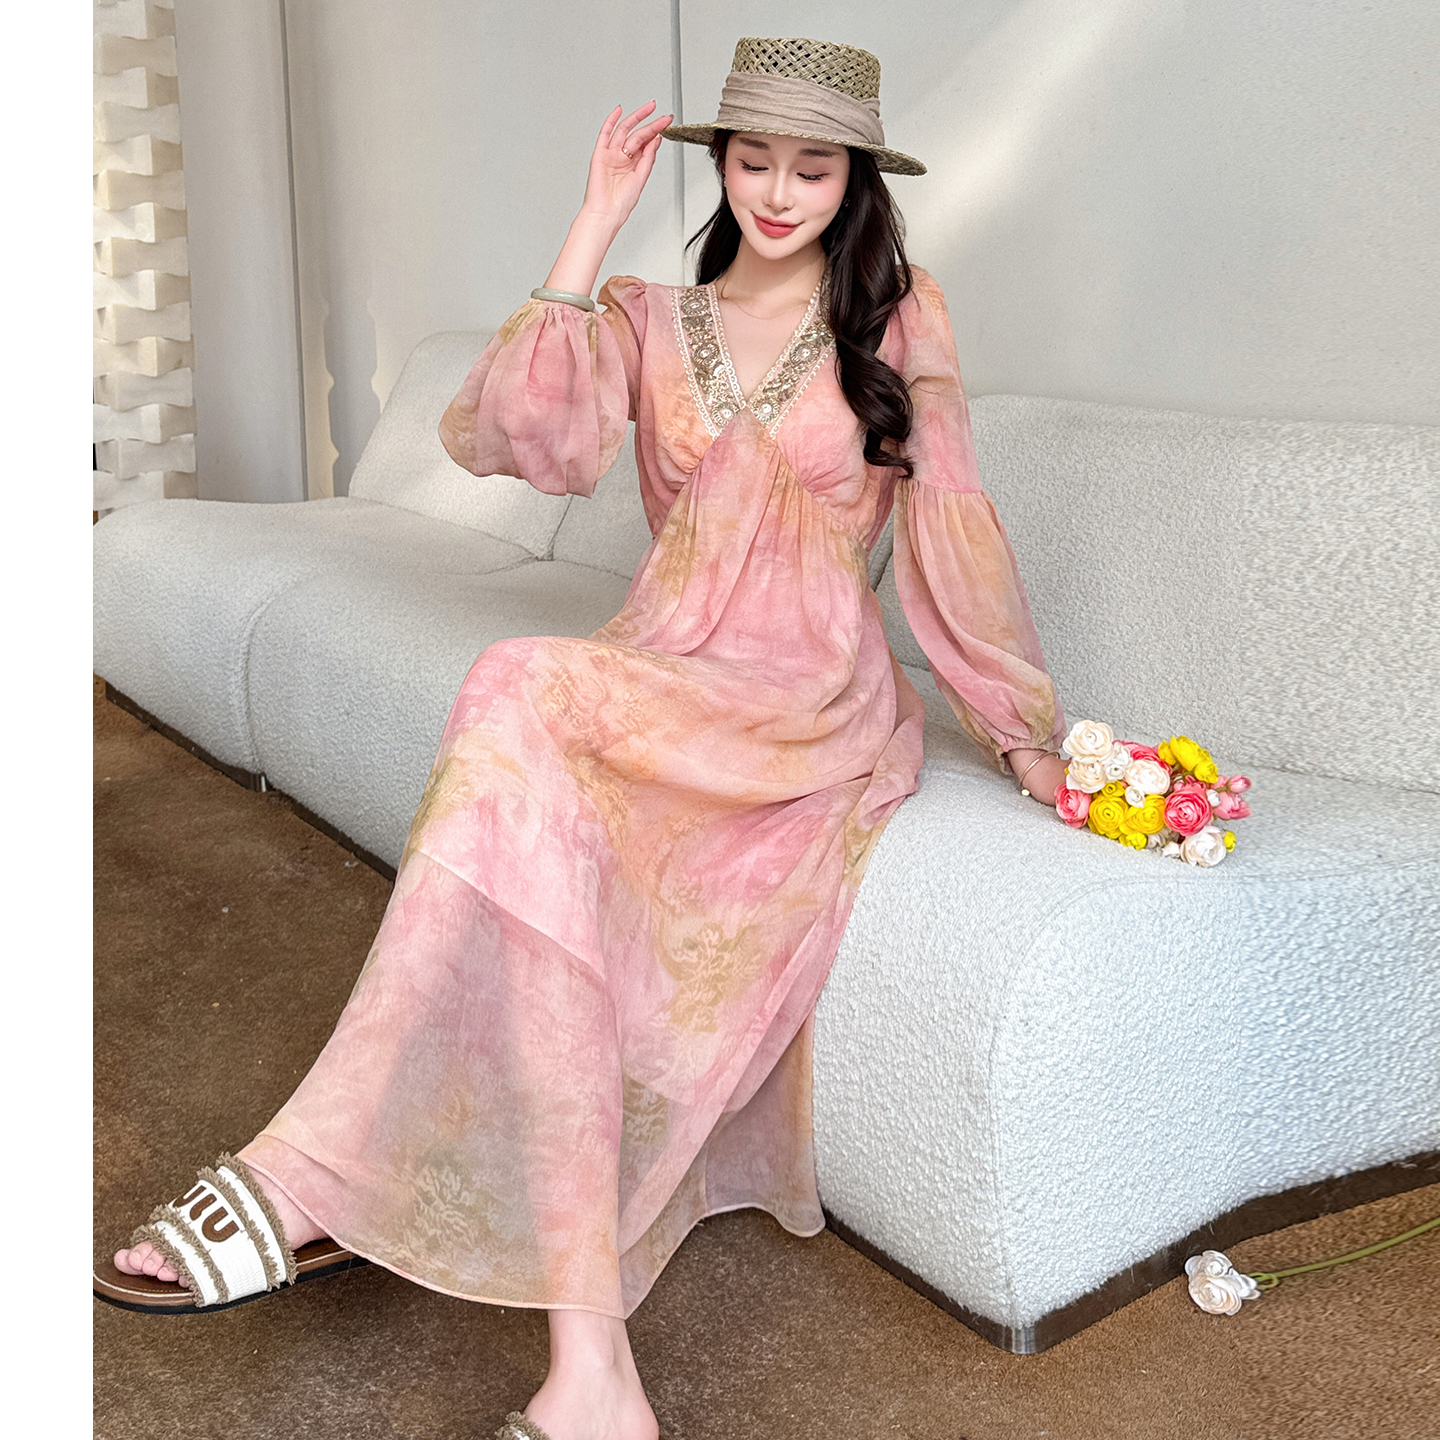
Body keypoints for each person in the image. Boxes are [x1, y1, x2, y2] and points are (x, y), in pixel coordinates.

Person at [95, 36, 1068, 1440]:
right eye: (753, 161)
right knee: (525, 783)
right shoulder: (647, 316)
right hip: (657, 667)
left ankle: (314, 1176)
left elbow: (953, 522)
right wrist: (594, 221)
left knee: (513, 688)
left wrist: (1022, 730)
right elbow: (516, 439)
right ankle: (590, 1372)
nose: (778, 192)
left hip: (805, 700)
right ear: (719, 168)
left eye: (812, 168)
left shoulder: (903, 316)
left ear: (856, 181)